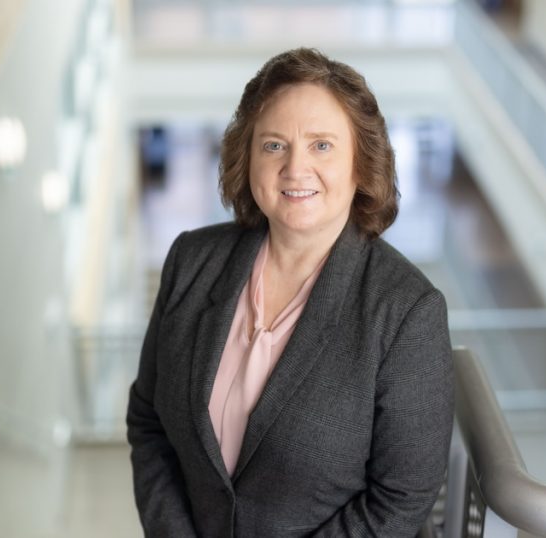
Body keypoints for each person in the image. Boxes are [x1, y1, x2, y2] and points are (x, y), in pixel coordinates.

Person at [126, 47, 454, 537]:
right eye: (274, 145)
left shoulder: (407, 312)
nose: (295, 169)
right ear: (249, 157)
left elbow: (400, 499)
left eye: (322, 145)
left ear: (362, 165)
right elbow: (150, 422)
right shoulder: (191, 260)